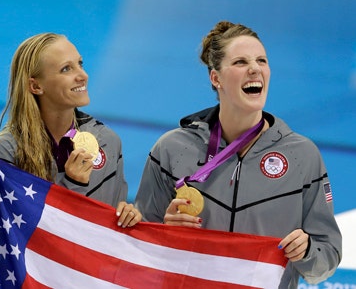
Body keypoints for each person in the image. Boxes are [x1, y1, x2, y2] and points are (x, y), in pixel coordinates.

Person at [133, 21, 342, 288]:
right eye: (241, 62)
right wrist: (165, 232)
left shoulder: (302, 155)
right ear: (215, 78)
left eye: (261, 60)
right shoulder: (172, 149)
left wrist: (308, 250)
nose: (255, 68)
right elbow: (137, 249)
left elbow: (328, 257)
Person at [0, 32, 141, 228]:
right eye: (66, 69)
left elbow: (112, 226)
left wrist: (128, 216)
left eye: (80, 64)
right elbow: (16, 235)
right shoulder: (5, 153)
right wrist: (73, 185)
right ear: (36, 86)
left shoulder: (107, 141)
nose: (83, 76)